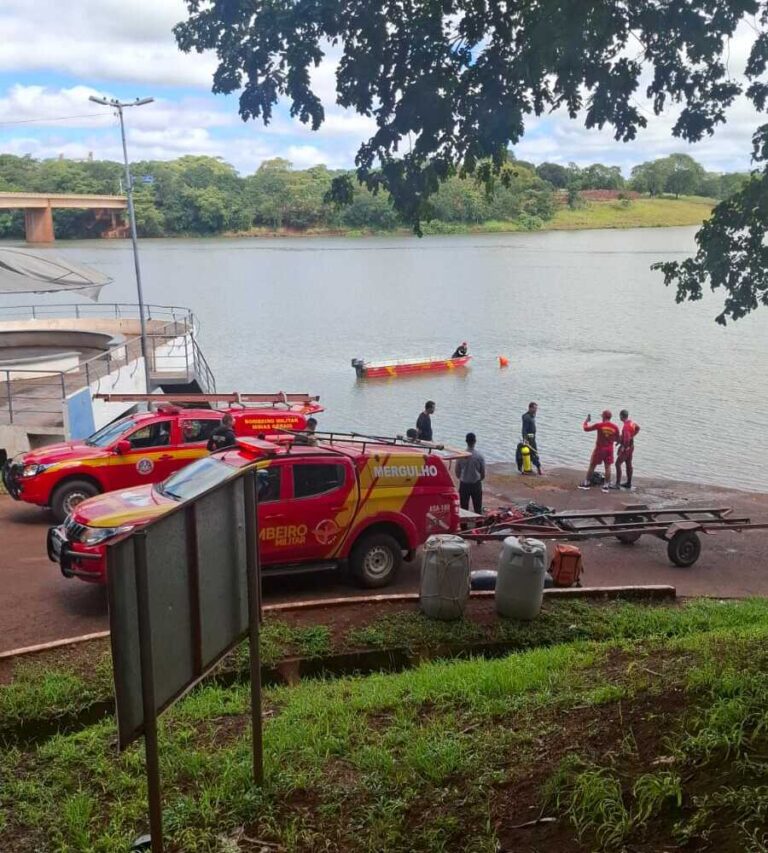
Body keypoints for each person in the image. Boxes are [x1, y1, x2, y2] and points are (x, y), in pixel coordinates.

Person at [579, 409, 620, 491]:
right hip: (609, 450)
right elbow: (618, 439)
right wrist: (611, 438)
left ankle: (586, 483)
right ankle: (606, 486)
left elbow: (586, 429)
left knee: (592, 465)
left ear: (603, 417)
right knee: (608, 467)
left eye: (602, 416)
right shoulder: (615, 427)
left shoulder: (599, 425)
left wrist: (586, 421)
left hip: (599, 449)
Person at [455, 432, 485, 513]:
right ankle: (478, 520)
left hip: (464, 484)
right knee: (477, 508)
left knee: (464, 509)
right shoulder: (479, 456)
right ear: (475, 441)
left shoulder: (460, 455)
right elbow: (483, 474)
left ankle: (465, 521)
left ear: (466, 441)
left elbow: (457, 472)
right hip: (476, 484)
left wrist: (462, 477)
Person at [614, 409, 640, 490]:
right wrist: (633, 436)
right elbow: (638, 428)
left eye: (620, 416)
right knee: (628, 464)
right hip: (631, 447)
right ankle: (628, 483)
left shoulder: (625, 427)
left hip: (627, 448)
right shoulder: (631, 422)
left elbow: (627, 439)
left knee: (617, 464)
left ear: (621, 416)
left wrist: (622, 448)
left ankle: (617, 484)